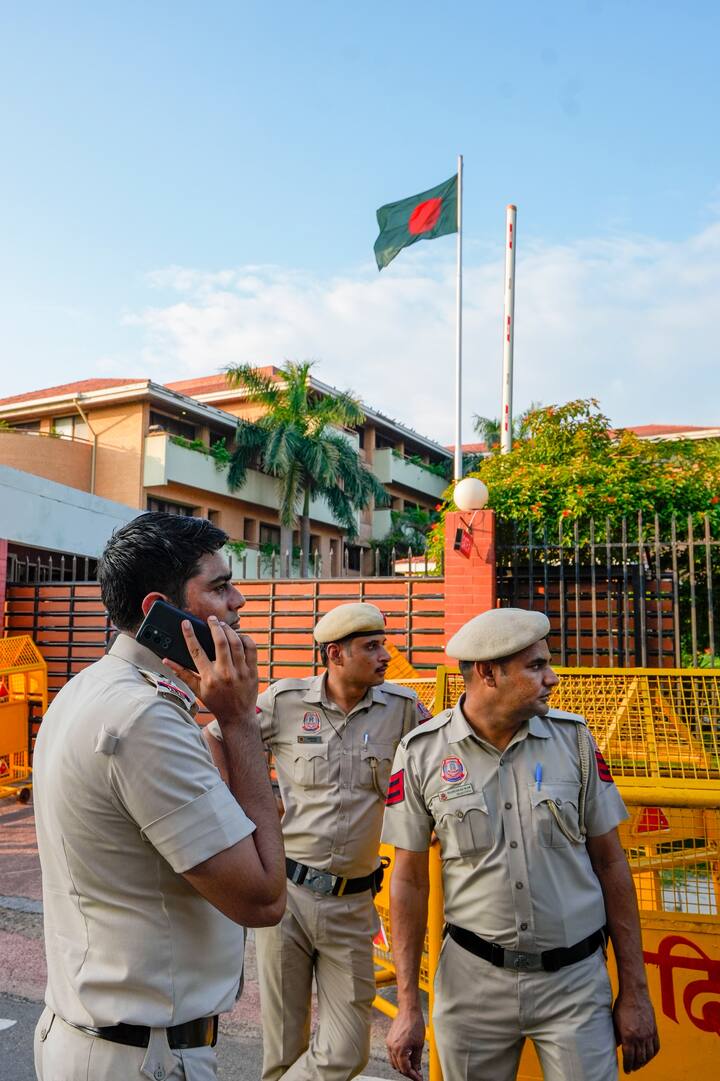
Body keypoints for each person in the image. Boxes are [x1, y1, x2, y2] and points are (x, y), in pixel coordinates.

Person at [32, 512, 286, 1081]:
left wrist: (220, 718)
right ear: (158, 609)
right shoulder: (145, 718)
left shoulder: (94, 687)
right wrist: (242, 721)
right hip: (143, 1057)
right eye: (219, 587)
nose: (239, 601)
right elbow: (263, 898)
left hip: (99, 1039)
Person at [382, 607, 659, 1081]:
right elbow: (408, 881)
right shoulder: (422, 752)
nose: (552, 678)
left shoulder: (574, 742)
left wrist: (635, 991)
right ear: (488, 673)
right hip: (472, 986)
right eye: (536, 666)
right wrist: (409, 1003)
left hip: (574, 984)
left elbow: (612, 865)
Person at [205, 601, 430, 1081]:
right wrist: (241, 809)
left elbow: (438, 762)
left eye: (383, 643)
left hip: (352, 905)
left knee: (346, 1051)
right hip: (285, 899)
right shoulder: (284, 703)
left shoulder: (403, 710)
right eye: (371, 646)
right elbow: (215, 739)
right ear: (335, 654)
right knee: (282, 1052)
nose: (385, 655)